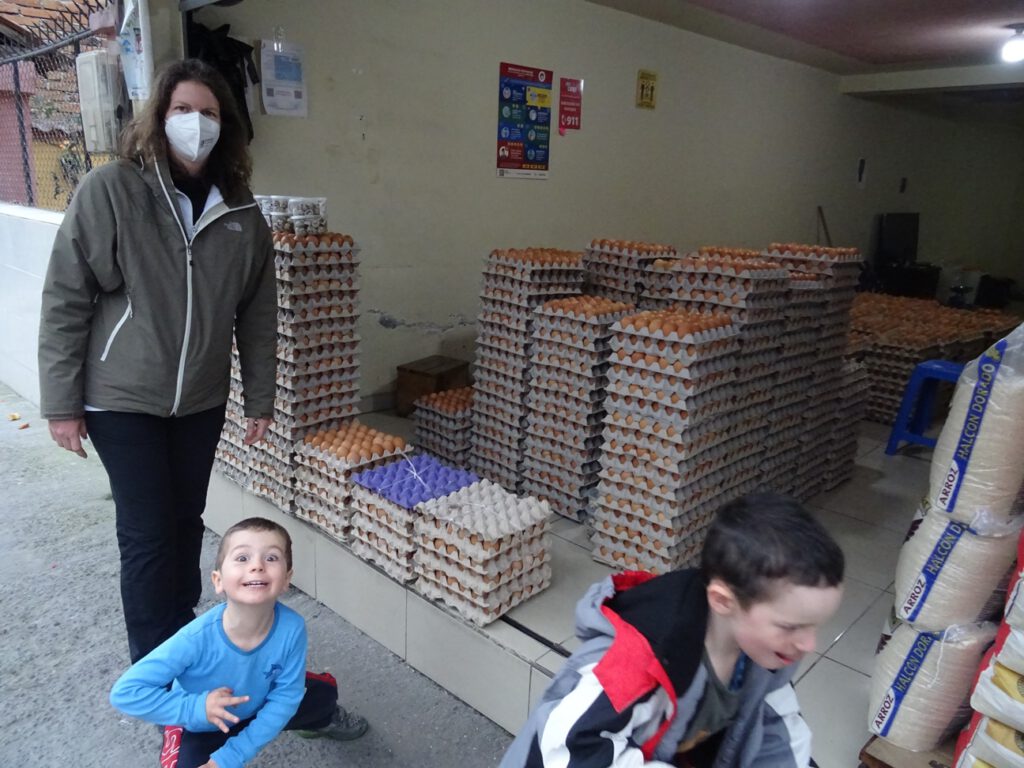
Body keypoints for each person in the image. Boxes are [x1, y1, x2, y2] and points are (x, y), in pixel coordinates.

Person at [37, 59, 277, 664]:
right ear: (158, 118)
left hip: (199, 397)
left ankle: (181, 633)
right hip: (122, 396)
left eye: (210, 113)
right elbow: (67, 296)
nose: (196, 123)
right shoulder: (114, 190)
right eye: (182, 111)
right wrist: (61, 403)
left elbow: (256, 314)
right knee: (147, 535)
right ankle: (157, 669)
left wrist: (261, 397)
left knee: (186, 521)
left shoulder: (243, 215)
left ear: (229, 127)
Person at [500, 492, 845, 768]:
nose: (808, 644)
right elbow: (568, 747)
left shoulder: (763, 657)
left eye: (814, 626)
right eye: (791, 626)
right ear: (724, 601)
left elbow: (778, 731)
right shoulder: (638, 659)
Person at [110, 517, 368, 768]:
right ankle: (179, 723)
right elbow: (126, 693)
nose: (257, 566)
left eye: (271, 557)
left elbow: (285, 698)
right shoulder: (195, 639)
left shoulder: (292, 627)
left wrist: (232, 756)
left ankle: (321, 719)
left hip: (262, 699)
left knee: (319, 693)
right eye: (242, 558)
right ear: (218, 580)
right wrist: (195, 708)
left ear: (287, 579)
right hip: (205, 723)